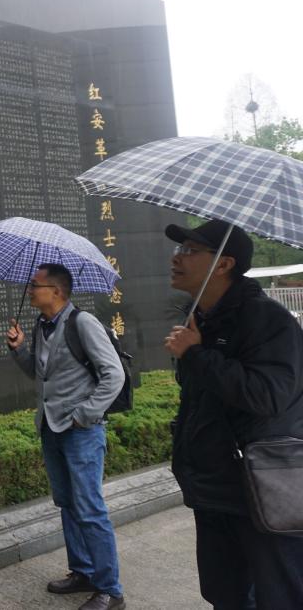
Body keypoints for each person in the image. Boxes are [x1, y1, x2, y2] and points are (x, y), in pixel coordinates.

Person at [163, 219, 303, 609]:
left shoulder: (267, 320)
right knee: (224, 594)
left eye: (190, 250)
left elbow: (268, 396)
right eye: (179, 249)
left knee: (280, 595)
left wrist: (196, 354)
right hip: (212, 487)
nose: (176, 258)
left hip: (261, 489)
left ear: (224, 264)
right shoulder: (198, 319)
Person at [6, 263, 127, 610]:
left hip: (81, 433)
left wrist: (84, 415)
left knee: (89, 508)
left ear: (56, 291)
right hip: (51, 428)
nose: (30, 290)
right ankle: (83, 571)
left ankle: (110, 590)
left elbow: (113, 374)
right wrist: (19, 349)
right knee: (68, 504)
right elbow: (39, 373)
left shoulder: (82, 323)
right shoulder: (42, 325)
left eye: (35, 285)